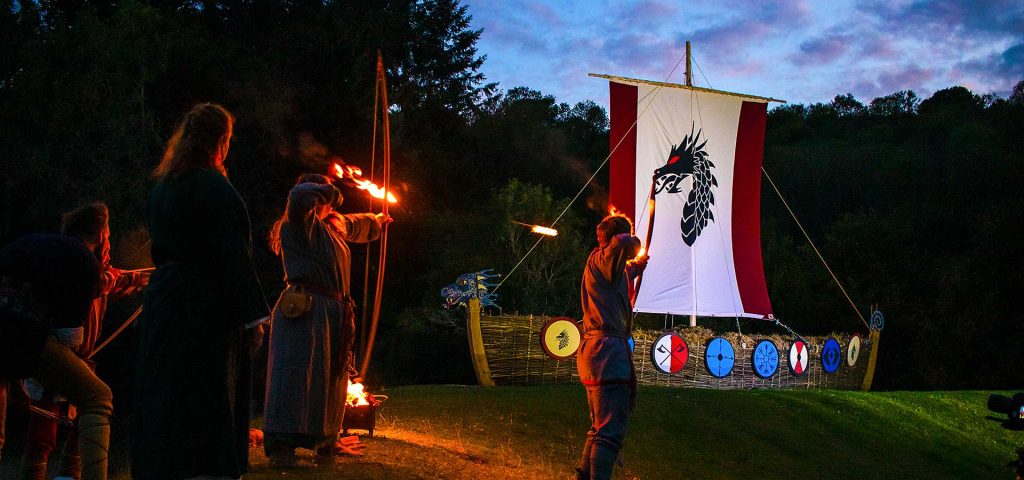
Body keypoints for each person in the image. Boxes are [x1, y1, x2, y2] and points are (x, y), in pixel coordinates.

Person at [132, 103, 269, 480]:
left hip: (164, 303)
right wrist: (252, 319)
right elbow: (231, 254)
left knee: (166, 392)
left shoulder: (164, 186)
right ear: (219, 141)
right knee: (204, 392)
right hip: (202, 307)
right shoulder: (212, 185)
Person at [262, 174, 390, 466]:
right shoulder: (298, 224)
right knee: (295, 375)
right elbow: (298, 197)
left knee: (331, 380)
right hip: (304, 310)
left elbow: (354, 223)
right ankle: (282, 447)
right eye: (325, 200)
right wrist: (330, 190)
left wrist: (377, 220)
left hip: (334, 313)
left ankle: (325, 443)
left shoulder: (331, 227)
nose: (331, 207)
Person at [21, 203, 149, 480]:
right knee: (42, 435)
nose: (110, 242)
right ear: (99, 235)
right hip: (52, 355)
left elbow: (108, 282)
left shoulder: (90, 267)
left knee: (83, 427)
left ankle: (70, 475)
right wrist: (119, 278)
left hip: (77, 358)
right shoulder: (74, 263)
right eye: (108, 235)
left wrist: (139, 280)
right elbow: (99, 282)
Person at [0, 232, 110, 480]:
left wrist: (18, 378)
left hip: (12, 334)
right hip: (21, 330)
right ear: (101, 236)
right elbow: (69, 338)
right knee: (97, 396)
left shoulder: (32, 244)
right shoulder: (85, 263)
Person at [575, 213, 647, 480]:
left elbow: (621, 273)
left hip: (597, 352)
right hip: (606, 353)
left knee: (599, 429)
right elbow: (621, 245)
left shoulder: (603, 266)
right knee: (609, 434)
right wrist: (633, 242)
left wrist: (637, 266)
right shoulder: (605, 256)